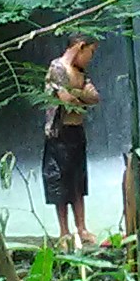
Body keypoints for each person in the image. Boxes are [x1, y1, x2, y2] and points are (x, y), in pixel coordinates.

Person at [42, 35, 99, 247]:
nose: (90, 59)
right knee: (60, 181)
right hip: (60, 133)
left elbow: (95, 98)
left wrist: (79, 96)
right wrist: (80, 94)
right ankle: (64, 231)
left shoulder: (80, 72)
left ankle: (82, 228)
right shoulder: (57, 68)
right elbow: (66, 100)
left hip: (77, 131)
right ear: (79, 47)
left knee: (78, 181)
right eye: (90, 53)